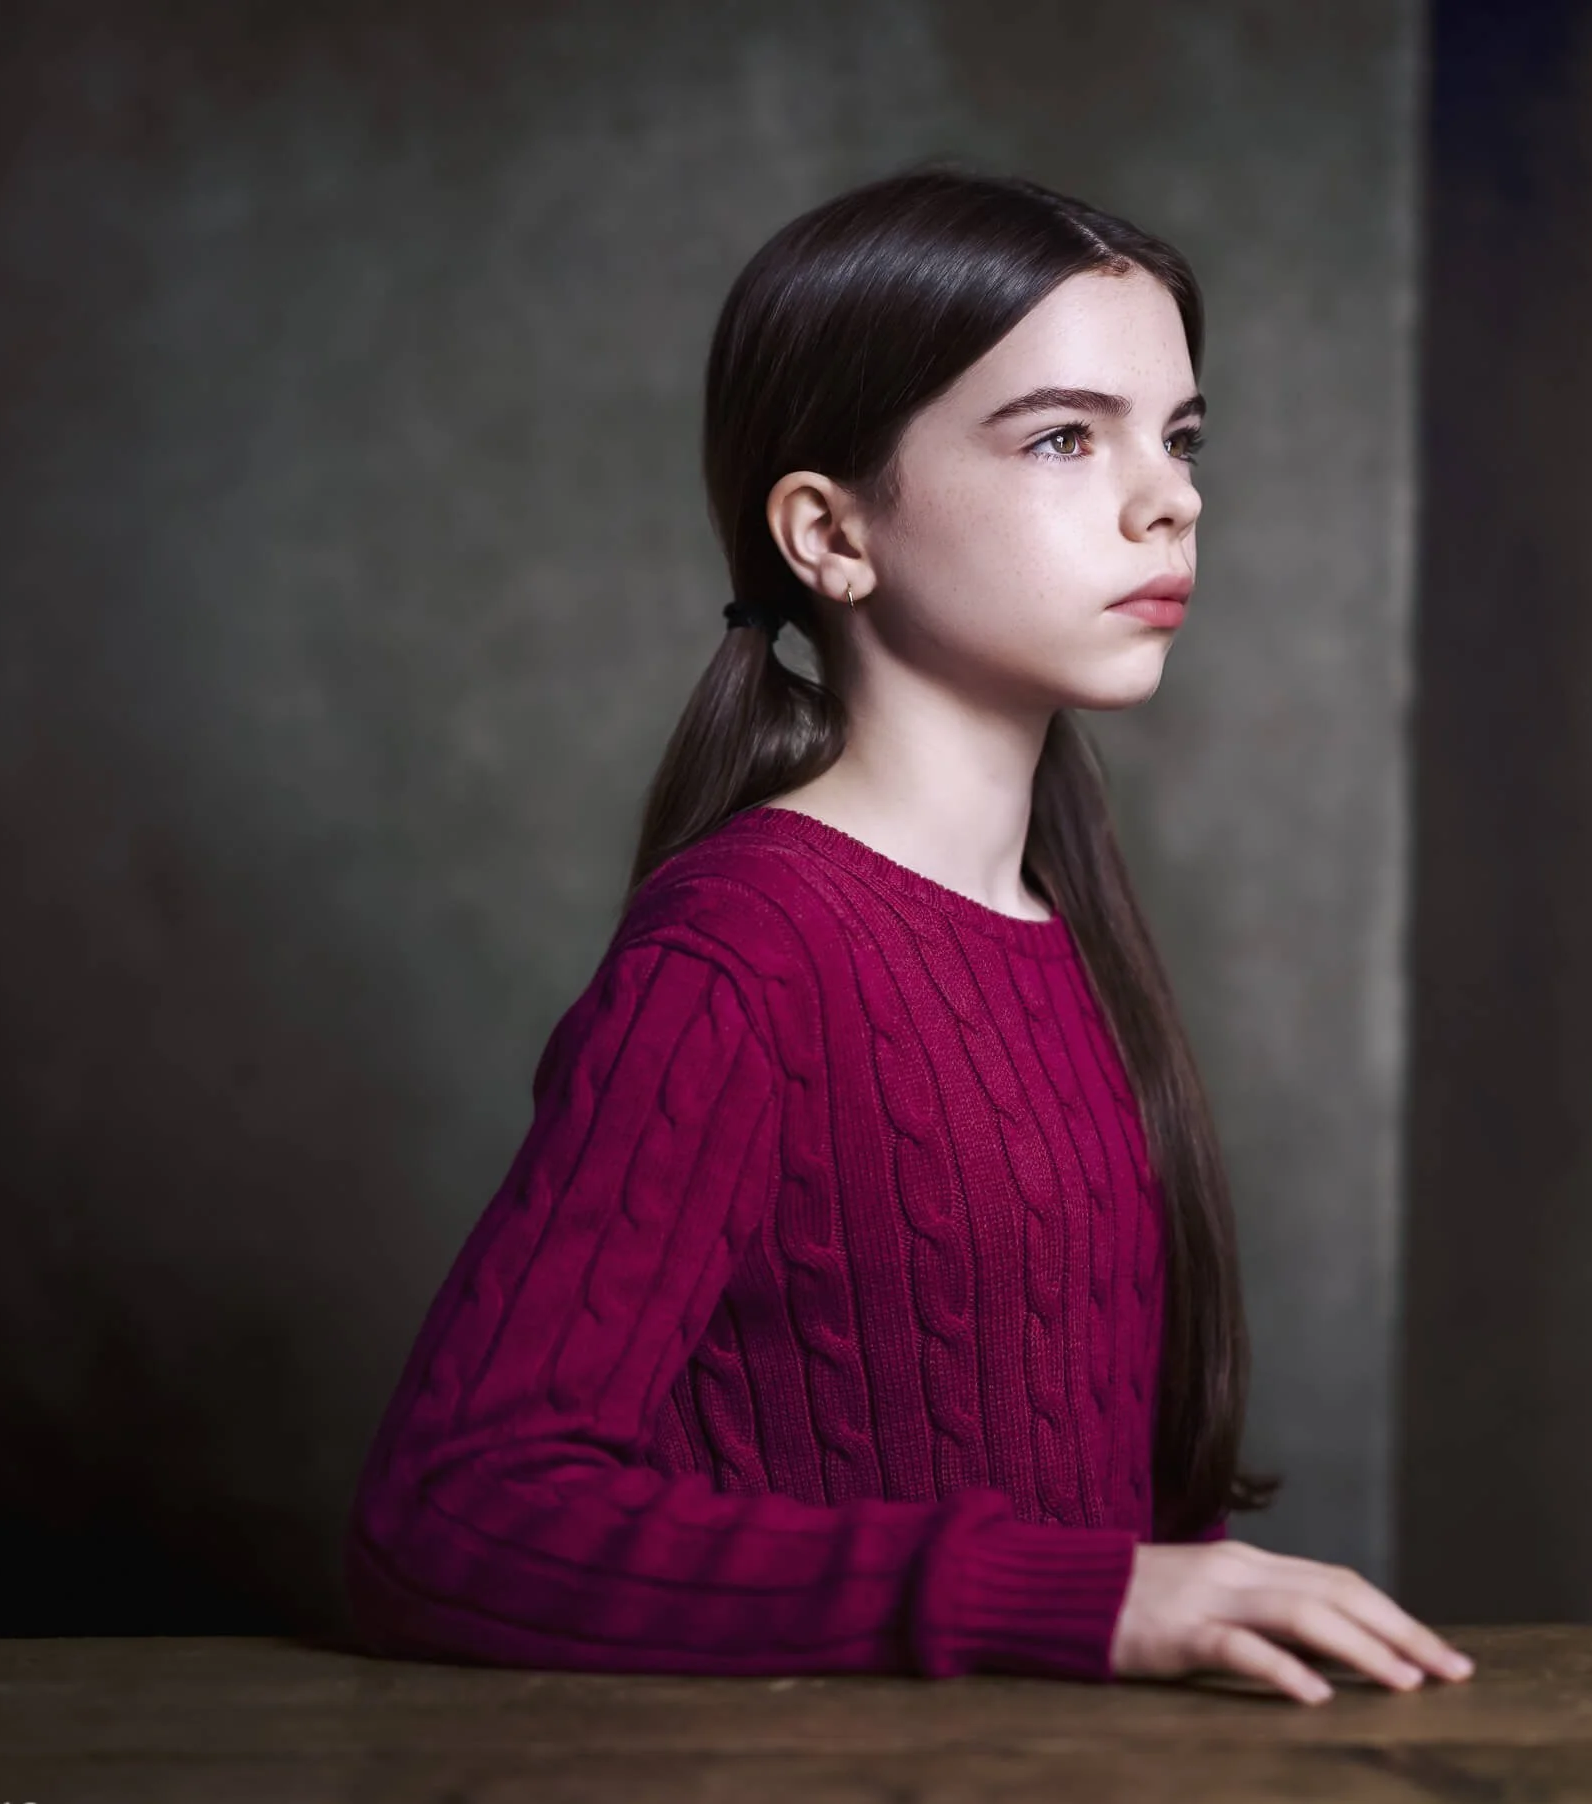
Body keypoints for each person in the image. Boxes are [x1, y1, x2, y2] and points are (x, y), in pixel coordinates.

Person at [344, 164, 1473, 1705]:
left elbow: (1123, 1518)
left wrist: (1192, 1617)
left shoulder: (1066, 920)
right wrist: (1068, 1599)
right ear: (829, 531)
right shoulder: (739, 956)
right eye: (1066, 435)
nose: (1173, 497)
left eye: (1182, 434)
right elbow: (450, 1513)